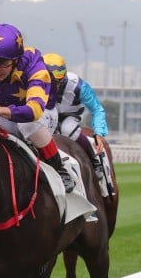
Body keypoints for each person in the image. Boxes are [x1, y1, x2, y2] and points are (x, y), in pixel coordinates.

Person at [0, 24, 74, 192]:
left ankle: (59, 168)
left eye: (3, 63)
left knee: (26, 124)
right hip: (3, 111)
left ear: (16, 59)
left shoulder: (34, 64)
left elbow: (33, 111)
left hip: (41, 113)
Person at [42, 52, 108, 183]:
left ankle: (95, 162)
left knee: (68, 129)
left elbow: (97, 109)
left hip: (70, 115)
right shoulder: (34, 82)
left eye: (58, 81)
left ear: (64, 75)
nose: (54, 86)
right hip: (47, 113)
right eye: (50, 81)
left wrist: (99, 133)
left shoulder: (78, 85)